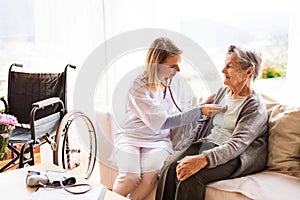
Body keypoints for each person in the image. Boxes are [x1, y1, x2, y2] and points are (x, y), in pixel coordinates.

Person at [112, 37, 224, 200]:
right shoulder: (138, 86)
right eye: (172, 65)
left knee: (150, 178)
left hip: (158, 140)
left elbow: (178, 112)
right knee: (130, 177)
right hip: (131, 137)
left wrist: (201, 106)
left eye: (178, 63)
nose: (178, 69)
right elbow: (164, 121)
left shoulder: (170, 82)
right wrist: (200, 111)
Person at [155, 45, 269, 200]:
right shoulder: (223, 92)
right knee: (169, 169)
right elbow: (204, 124)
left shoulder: (254, 106)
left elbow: (237, 145)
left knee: (188, 177)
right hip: (209, 143)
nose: (223, 70)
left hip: (236, 156)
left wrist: (203, 159)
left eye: (229, 66)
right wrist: (184, 149)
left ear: (248, 72)